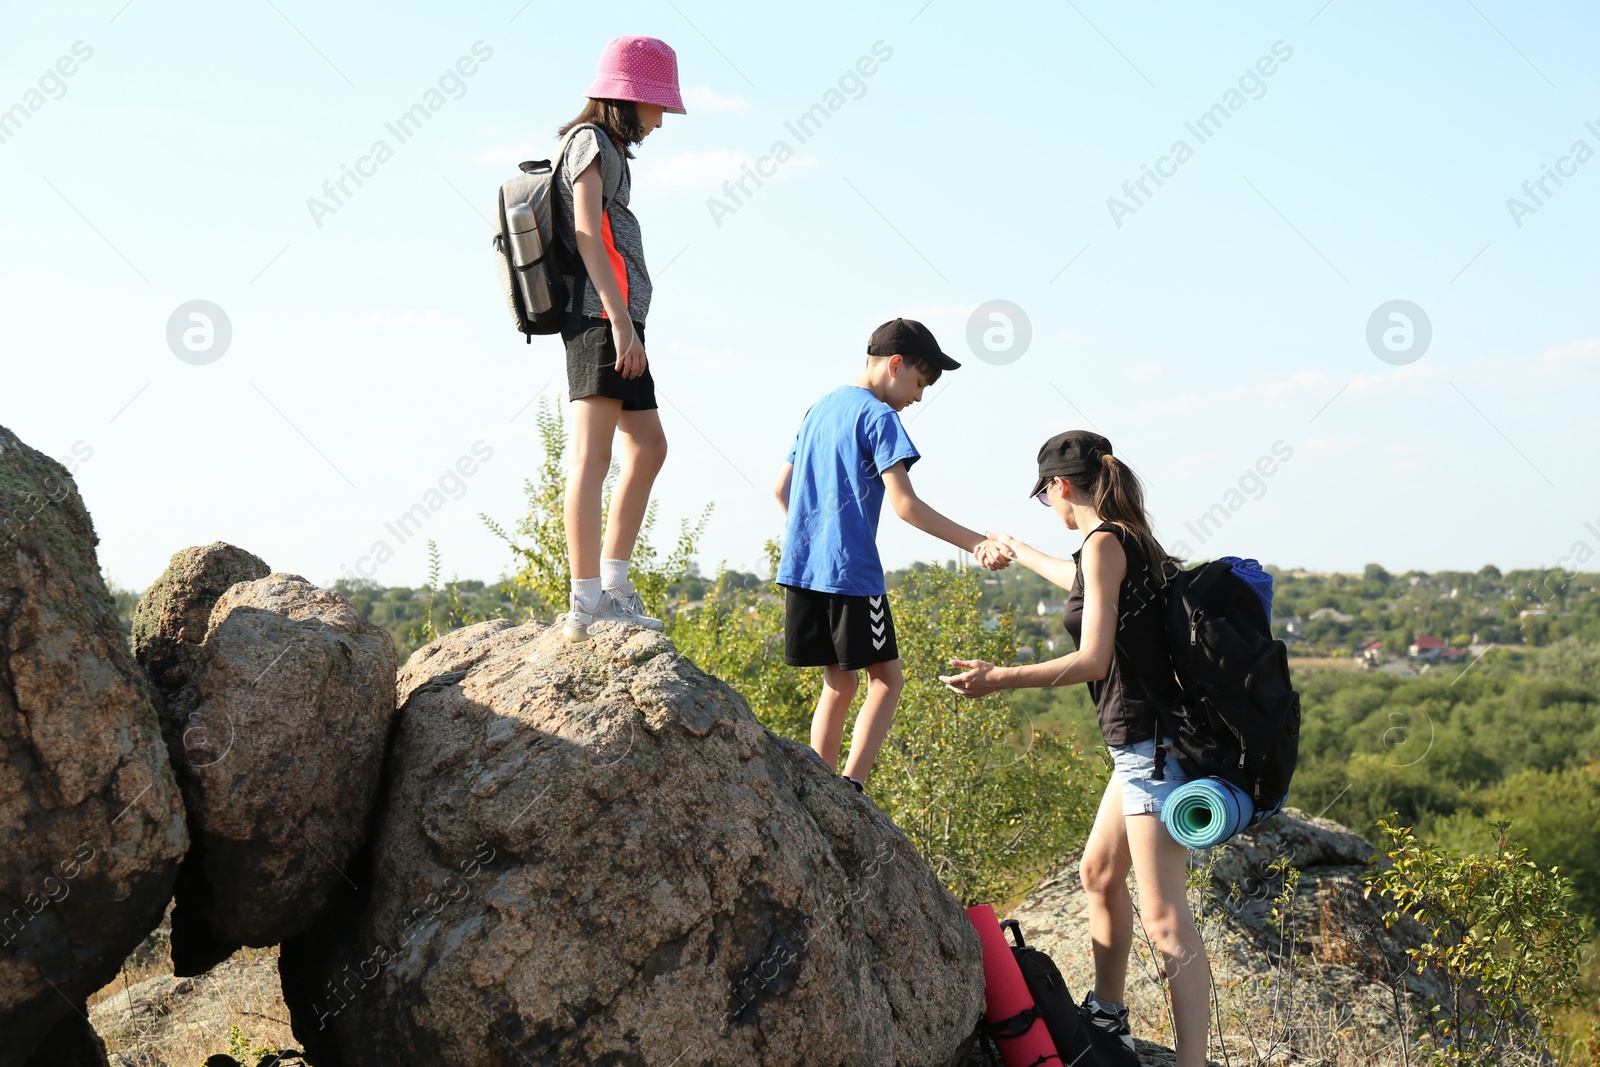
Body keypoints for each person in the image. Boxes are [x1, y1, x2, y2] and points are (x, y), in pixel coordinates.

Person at [939, 430, 1210, 1067]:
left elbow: (1093, 659)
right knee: (1098, 873)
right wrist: (1020, 547)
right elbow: (1081, 579)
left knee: (1166, 917)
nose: (1050, 508)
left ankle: (1193, 1061)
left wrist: (998, 679)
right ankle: (1110, 1017)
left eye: (1046, 500)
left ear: (1059, 486)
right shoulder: (1117, 542)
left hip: (1152, 748)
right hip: (1143, 746)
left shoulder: (1105, 544)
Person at [774, 318, 1012, 792]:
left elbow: (781, 489)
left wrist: (814, 540)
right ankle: (852, 788)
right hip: (852, 574)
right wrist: (976, 543)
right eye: (920, 383)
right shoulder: (880, 418)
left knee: (837, 684)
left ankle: (819, 787)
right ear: (895, 365)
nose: (918, 397)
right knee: (887, 681)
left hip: (803, 571)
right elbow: (906, 505)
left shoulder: (818, 409)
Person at [552, 35, 685, 642]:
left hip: (619, 321)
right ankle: (585, 601)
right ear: (628, 99)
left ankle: (612, 583)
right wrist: (622, 321)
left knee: (649, 446)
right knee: (591, 458)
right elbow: (585, 233)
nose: (661, 120)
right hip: (601, 319)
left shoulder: (609, 148)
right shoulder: (587, 142)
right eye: (658, 106)